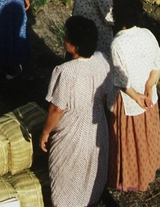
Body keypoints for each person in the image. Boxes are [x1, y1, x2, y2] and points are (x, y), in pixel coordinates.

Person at [40, 16, 113, 207]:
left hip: (71, 133)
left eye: (67, 37)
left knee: (65, 177)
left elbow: (57, 109)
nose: (64, 39)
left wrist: (46, 132)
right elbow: (105, 96)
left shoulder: (65, 71)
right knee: (91, 173)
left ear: (76, 47)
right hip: (97, 127)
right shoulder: (102, 60)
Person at [108, 0, 160, 193]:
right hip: (149, 98)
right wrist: (149, 85)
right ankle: (147, 169)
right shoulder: (147, 34)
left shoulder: (117, 43)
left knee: (128, 140)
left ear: (116, 16)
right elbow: (159, 63)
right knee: (145, 137)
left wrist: (136, 96)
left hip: (129, 101)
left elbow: (121, 81)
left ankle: (129, 177)